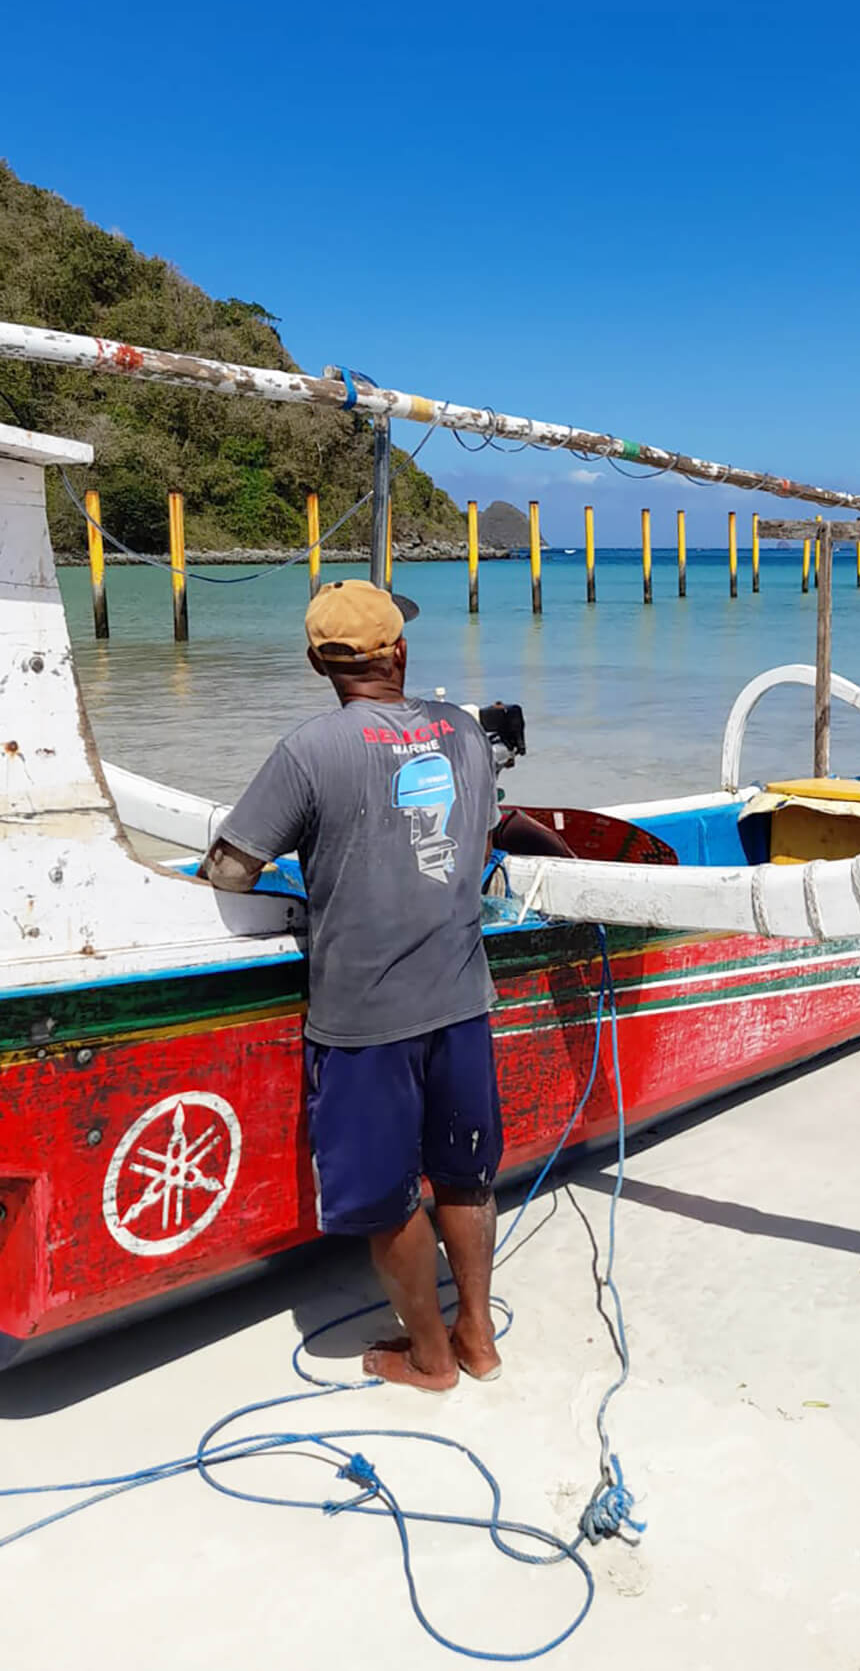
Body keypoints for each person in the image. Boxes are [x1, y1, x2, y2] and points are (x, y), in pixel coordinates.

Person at [200, 578, 564, 1391]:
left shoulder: (310, 749)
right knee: (465, 1174)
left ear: (315, 662)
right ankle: (478, 1335)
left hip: (364, 1016)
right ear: (401, 651)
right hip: (464, 998)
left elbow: (229, 865)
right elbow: (474, 839)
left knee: (389, 1197)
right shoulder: (467, 735)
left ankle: (430, 1357)